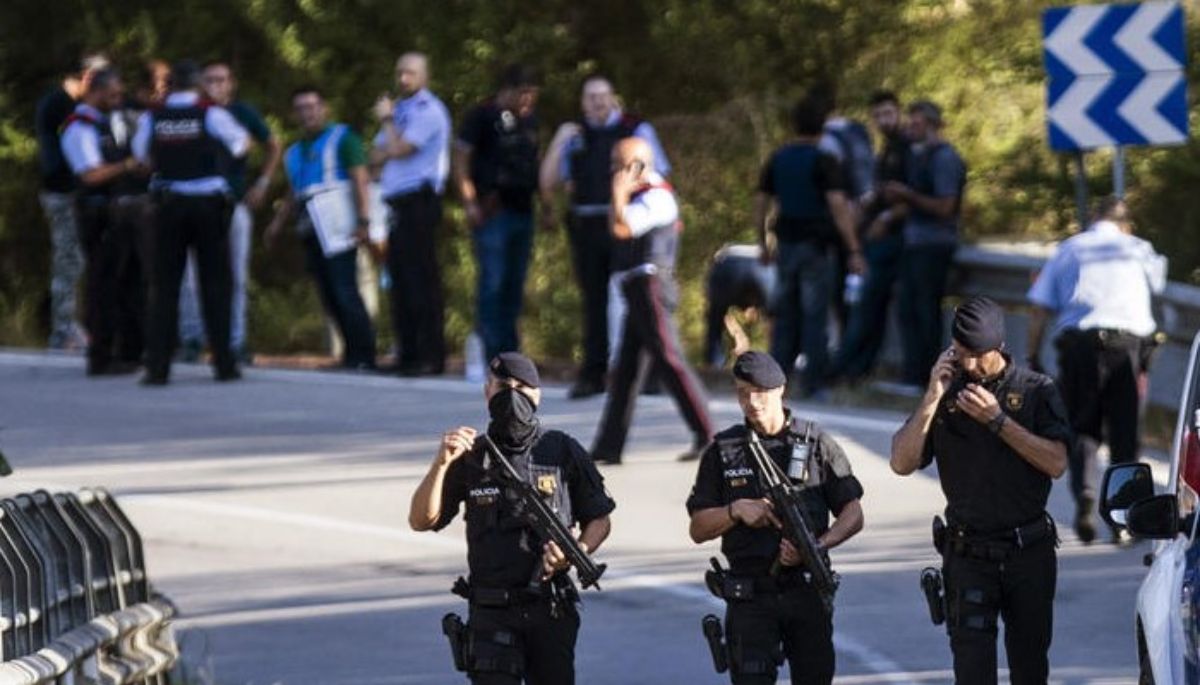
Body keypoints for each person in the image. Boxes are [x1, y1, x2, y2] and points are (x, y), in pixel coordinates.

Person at [890, 296, 1071, 685]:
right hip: (968, 553)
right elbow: (902, 463)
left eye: (976, 354)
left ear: (999, 347)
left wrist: (998, 421)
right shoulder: (947, 390)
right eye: (959, 353)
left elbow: (1056, 462)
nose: (968, 364)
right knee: (971, 673)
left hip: (1027, 553)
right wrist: (933, 396)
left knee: (1030, 668)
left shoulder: (1037, 390)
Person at [408, 352, 615, 684]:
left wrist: (576, 551)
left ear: (537, 395)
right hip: (491, 612)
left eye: (522, 387)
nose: (512, 394)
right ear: (487, 391)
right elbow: (421, 519)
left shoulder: (561, 449)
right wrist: (442, 463)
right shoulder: (472, 456)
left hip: (550, 608)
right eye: (503, 385)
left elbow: (600, 519)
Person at [687, 351, 864, 684]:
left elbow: (853, 513)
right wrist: (735, 511)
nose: (752, 402)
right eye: (742, 392)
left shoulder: (815, 443)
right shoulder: (724, 451)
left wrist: (817, 545)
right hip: (750, 596)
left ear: (780, 390)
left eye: (760, 393)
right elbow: (698, 528)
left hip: (805, 590)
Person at [1027, 197, 1166, 544]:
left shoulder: (1070, 249)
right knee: (1125, 434)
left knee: (1081, 426)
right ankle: (1124, 519)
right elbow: (1158, 287)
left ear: (1093, 218)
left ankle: (1086, 495)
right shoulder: (1139, 249)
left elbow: (1040, 307)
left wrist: (1032, 355)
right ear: (1126, 224)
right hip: (1127, 347)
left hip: (1080, 346)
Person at [539, 74, 672, 399]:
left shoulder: (635, 129)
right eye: (590, 97)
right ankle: (594, 372)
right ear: (582, 102)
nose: (598, 102)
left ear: (613, 98)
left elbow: (659, 172)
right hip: (587, 224)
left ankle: (649, 372)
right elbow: (548, 182)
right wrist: (559, 140)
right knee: (594, 300)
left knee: (635, 295)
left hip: (629, 222)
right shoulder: (577, 136)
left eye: (603, 96)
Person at [590, 138, 712, 464]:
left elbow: (621, 228)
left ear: (640, 166)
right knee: (627, 370)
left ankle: (708, 434)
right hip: (636, 287)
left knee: (670, 360)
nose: (614, 171)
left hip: (651, 286)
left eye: (621, 165)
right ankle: (608, 445)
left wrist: (618, 192)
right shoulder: (639, 195)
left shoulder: (657, 197)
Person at [132, 59, 249, 385]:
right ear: (197, 84)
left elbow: (140, 156)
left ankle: (157, 367)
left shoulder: (152, 117)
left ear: (169, 85)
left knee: (164, 287)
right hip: (208, 206)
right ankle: (224, 364)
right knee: (216, 284)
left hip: (168, 205)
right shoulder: (211, 114)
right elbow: (241, 144)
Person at [756, 95, 865, 399]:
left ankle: (775, 380)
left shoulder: (779, 158)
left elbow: (762, 202)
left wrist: (762, 240)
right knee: (815, 314)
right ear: (822, 129)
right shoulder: (823, 160)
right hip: (816, 246)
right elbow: (838, 205)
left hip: (786, 244)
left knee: (785, 313)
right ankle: (814, 382)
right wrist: (854, 247)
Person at [265, 86, 378, 370]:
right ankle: (350, 353)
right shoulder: (294, 152)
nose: (307, 113)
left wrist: (364, 221)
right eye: (301, 108)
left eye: (312, 106)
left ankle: (364, 353)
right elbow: (293, 193)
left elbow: (359, 179)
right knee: (328, 291)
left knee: (344, 287)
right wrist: (276, 225)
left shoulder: (342, 138)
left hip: (338, 222)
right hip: (310, 225)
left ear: (324, 108)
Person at [177, 60, 282, 364]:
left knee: (235, 274)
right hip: (194, 201)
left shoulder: (242, 113)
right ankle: (193, 338)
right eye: (209, 79)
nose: (216, 85)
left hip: (232, 201)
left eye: (222, 80)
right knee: (190, 275)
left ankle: (236, 341)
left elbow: (272, 144)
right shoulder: (191, 112)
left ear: (231, 83)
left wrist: (262, 182)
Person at [60, 67, 148, 376]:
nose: (118, 99)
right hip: (97, 216)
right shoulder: (79, 128)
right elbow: (90, 174)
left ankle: (129, 350)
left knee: (128, 283)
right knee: (103, 285)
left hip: (120, 213)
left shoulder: (108, 123)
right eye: (112, 95)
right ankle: (101, 355)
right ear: (96, 92)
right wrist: (126, 166)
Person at [371, 52, 452, 376]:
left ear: (425, 76)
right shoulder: (401, 111)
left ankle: (430, 355)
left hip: (419, 199)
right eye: (400, 72)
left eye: (411, 73)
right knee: (400, 281)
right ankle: (408, 353)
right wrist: (390, 135)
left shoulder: (429, 111)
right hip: (397, 204)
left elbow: (400, 149)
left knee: (421, 280)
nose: (404, 78)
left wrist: (388, 125)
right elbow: (376, 153)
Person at [453, 64, 541, 361]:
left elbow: (535, 164)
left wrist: (548, 207)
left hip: (523, 210)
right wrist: (469, 202)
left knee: (514, 285)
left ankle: (510, 351)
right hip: (493, 212)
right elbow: (461, 160)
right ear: (509, 91)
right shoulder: (481, 116)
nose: (528, 102)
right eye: (524, 94)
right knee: (492, 283)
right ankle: (489, 351)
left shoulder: (529, 121)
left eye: (533, 95)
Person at [884, 100, 966, 391]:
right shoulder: (919, 157)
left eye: (916, 123)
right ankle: (911, 373)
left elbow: (945, 206)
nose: (910, 128)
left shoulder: (944, 158)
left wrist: (908, 196)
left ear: (931, 125)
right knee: (908, 308)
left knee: (924, 311)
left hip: (934, 244)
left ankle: (925, 376)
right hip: (915, 242)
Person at [829, 91, 911, 384]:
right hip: (878, 237)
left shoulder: (908, 147)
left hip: (897, 238)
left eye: (888, 113)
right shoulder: (886, 149)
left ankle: (844, 367)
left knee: (868, 306)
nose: (883, 120)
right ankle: (857, 368)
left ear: (899, 112)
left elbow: (912, 195)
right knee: (868, 306)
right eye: (877, 115)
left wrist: (887, 218)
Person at [36, 52, 110, 351]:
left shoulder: (64, 104)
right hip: (62, 191)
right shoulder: (60, 106)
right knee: (68, 259)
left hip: (70, 191)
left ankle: (69, 324)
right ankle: (62, 328)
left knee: (76, 259)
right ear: (88, 77)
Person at [703, 244, 774, 369]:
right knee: (779, 321)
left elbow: (721, 311)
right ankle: (780, 368)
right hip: (762, 266)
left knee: (715, 320)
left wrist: (738, 335)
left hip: (727, 263)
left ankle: (714, 365)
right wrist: (738, 335)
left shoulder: (724, 257)